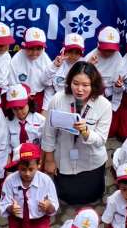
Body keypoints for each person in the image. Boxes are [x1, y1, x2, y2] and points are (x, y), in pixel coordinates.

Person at [41, 61, 112, 205]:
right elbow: (49, 133)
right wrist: (49, 160)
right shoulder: (58, 99)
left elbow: (101, 140)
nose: (80, 89)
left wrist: (86, 132)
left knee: (92, 195)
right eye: (75, 83)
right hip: (64, 157)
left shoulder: (104, 105)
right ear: (69, 82)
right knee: (66, 196)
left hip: (91, 161)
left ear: (94, 85)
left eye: (85, 85)